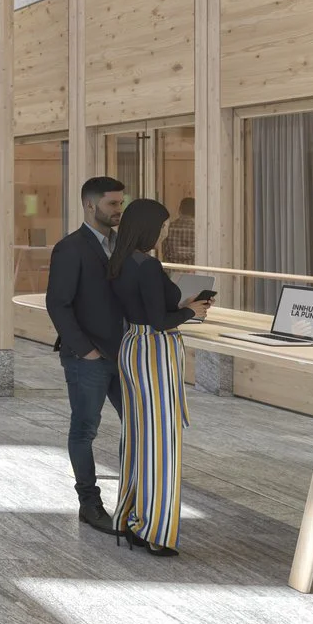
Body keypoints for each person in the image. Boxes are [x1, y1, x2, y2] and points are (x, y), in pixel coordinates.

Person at [107, 198, 208, 557]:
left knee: (138, 437)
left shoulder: (120, 262)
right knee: (163, 443)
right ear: (149, 227)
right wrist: (191, 311)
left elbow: (147, 310)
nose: (166, 231)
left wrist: (183, 305)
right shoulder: (149, 266)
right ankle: (155, 531)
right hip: (155, 351)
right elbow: (159, 321)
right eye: (162, 225)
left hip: (131, 347)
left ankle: (132, 517)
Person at [46, 176, 130, 533]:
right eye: (112, 204)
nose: (118, 211)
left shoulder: (122, 246)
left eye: (121, 204)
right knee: (84, 430)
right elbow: (58, 305)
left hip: (125, 356)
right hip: (88, 359)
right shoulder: (71, 248)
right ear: (90, 205)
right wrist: (88, 351)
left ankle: (133, 498)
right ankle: (89, 504)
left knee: (139, 426)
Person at [160, 197, 197, 264]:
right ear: (195, 212)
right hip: (193, 271)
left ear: (179, 210)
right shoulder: (198, 231)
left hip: (172, 270)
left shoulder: (168, 228)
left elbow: (164, 252)